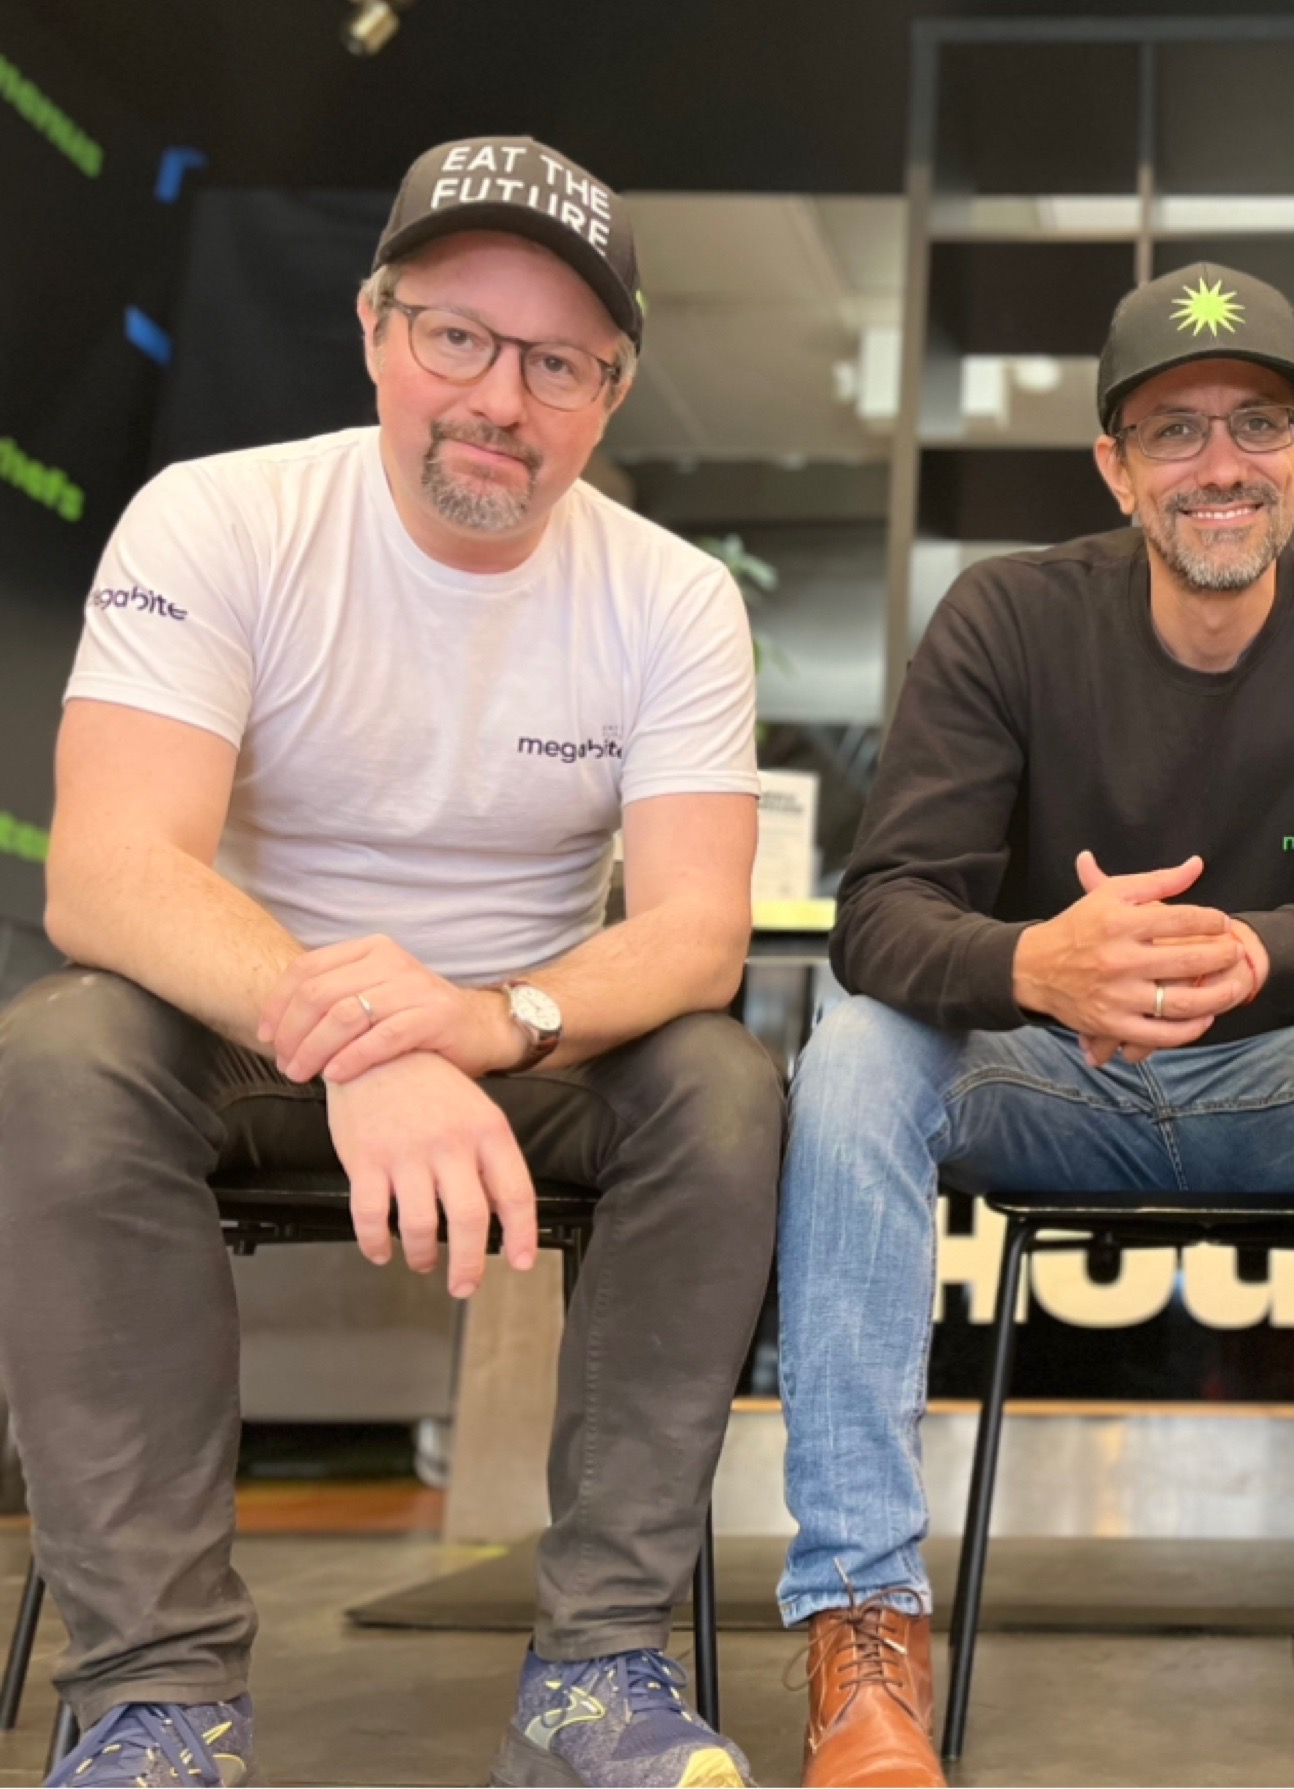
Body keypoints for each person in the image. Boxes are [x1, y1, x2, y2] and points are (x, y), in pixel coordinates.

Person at [0, 136, 782, 1789]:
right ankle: (158, 1700)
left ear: (610, 394)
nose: (501, 397)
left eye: (558, 362)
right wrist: (366, 1038)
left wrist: (484, 1023)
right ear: (374, 329)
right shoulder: (220, 517)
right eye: (458, 335)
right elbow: (108, 870)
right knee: (61, 1051)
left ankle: (598, 1673)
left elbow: (696, 933)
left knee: (723, 1085)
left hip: (520, 1053)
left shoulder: (675, 599)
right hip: (234, 1033)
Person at [776, 263, 1294, 1788]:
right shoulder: (1007, 615)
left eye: (1256, 423)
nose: (1219, 464)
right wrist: (1038, 964)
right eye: (1174, 430)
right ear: (1115, 467)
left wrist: (1261, 950)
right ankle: (862, 1634)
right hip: (1053, 1078)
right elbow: (881, 916)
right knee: (857, 1050)